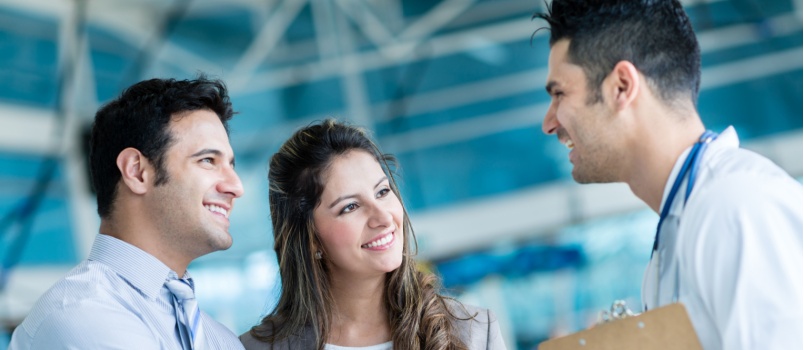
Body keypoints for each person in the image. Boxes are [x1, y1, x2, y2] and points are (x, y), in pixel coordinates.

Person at [533, 1, 802, 349]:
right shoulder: (679, 229)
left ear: (621, 86)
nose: (548, 123)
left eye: (559, 94)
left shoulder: (735, 208)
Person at [9, 77, 246, 349]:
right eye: (208, 160)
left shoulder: (220, 338)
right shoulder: (82, 313)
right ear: (136, 171)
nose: (236, 187)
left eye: (231, 165)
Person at [240, 119, 506, 350]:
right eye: (350, 207)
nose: (383, 217)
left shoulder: (476, 332)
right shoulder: (253, 349)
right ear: (310, 239)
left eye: (382, 192)